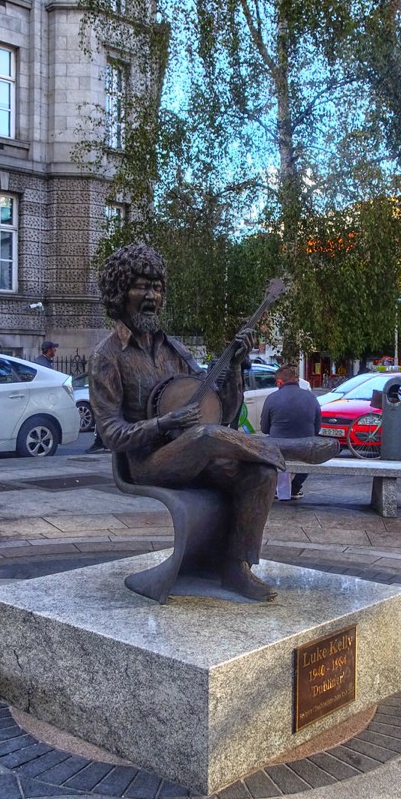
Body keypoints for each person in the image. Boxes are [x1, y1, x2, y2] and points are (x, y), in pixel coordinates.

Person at [90, 243, 335, 602]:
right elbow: (111, 434)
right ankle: (286, 447)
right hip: (148, 463)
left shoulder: (174, 350)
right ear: (119, 291)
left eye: (157, 287)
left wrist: (235, 366)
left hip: (196, 453)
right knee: (206, 437)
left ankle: (236, 569)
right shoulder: (107, 356)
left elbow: (221, 413)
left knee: (262, 473)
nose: (151, 296)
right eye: (142, 286)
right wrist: (163, 423)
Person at [260, 365, 321, 501]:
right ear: (296, 380)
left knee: (268, 450)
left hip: (279, 447)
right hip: (305, 448)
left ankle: (278, 488)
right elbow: (317, 429)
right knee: (308, 455)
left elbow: (264, 429)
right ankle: (295, 486)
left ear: (279, 382)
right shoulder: (311, 398)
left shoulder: (272, 398)